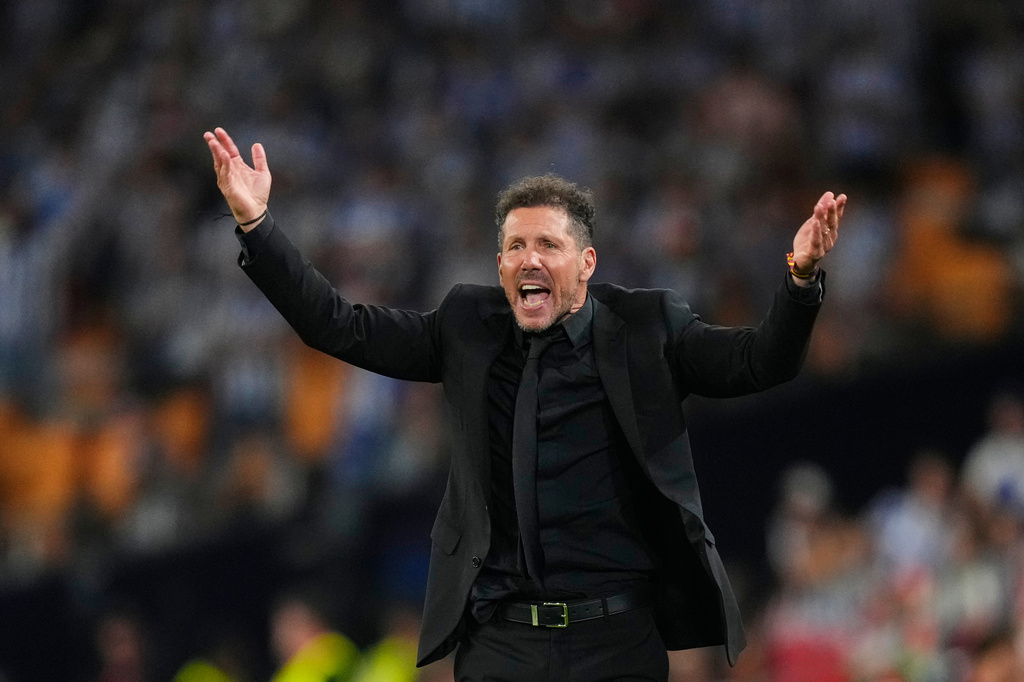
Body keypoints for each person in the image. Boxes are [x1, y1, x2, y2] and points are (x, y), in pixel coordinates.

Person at [204, 126, 846, 681]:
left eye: (548, 246)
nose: (528, 259)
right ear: (500, 264)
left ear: (586, 262)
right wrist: (257, 225)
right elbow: (338, 325)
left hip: (615, 642)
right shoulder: (467, 327)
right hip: (501, 644)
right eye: (515, 247)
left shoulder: (647, 328)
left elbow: (762, 362)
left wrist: (800, 277)